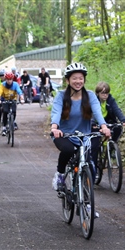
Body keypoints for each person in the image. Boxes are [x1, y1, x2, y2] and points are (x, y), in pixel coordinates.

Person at [50, 63, 111, 195]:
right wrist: (54, 127)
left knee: (90, 166)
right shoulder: (61, 96)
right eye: (74, 78)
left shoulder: (90, 95)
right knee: (68, 150)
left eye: (81, 78)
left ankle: (87, 201)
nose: (78, 81)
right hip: (64, 135)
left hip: (85, 135)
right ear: (68, 80)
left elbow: (97, 112)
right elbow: (56, 112)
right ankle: (60, 175)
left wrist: (104, 126)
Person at [91, 81, 125, 169]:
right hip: (96, 122)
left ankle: (111, 148)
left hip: (108, 120)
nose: (105, 95)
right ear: (98, 93)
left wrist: (123, 120)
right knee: (94, 145)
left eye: (107, 93)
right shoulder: (94, 100)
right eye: (103, 93)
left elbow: (117, 110)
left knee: (118, 128)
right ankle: (93, 167)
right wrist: (93, 124)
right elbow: (91, 113)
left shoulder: (110, 99)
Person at [0, 72, 24, 136]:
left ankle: (12, 123)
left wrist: (22, 99)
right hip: (5, 100)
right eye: (8, 79)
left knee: (14, 111)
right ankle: (4, 127)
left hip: (13, 99)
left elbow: (19, 92)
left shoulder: (15, 84)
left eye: (10, 79)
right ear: (6, 79)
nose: (9, 81)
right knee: (5, 111)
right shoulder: (2, 85)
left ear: (12, 79)